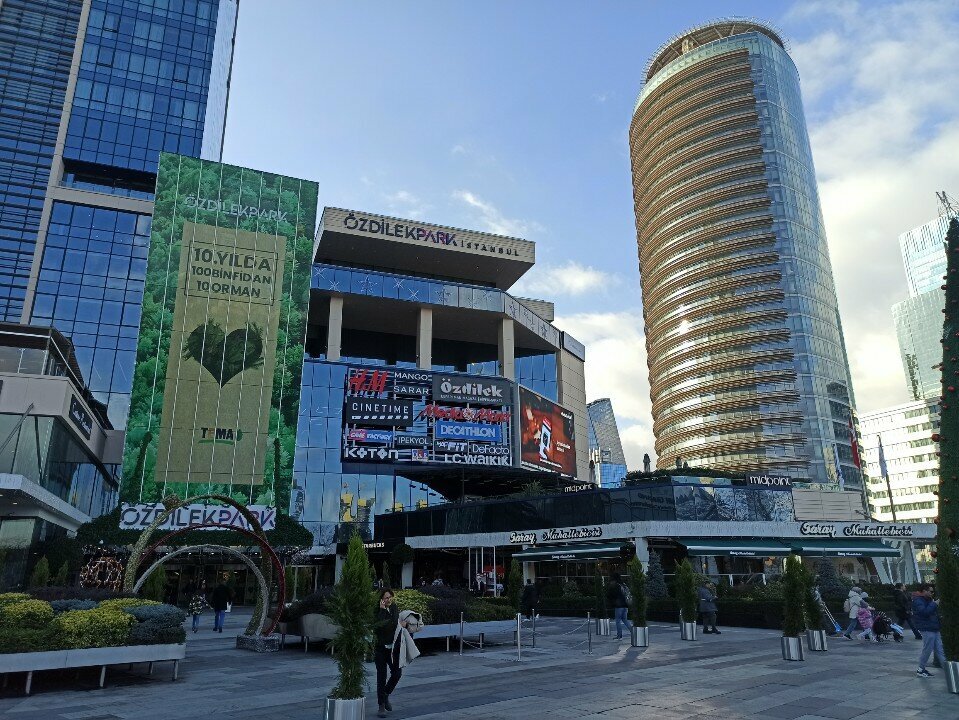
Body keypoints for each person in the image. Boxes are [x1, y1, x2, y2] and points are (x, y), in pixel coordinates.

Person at [375, 589, 406, 717]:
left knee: (397, 673)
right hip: (380, 648)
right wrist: (382, 611)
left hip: (393, 649)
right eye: (386, 598)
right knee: (381, 677)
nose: (389, 600)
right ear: (381, 599)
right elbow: (380, 626)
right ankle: (381, 705)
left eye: (390, 597)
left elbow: (393, 623)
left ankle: (386, 693)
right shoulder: (376, 610)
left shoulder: (394, 607)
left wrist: (395, 624)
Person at [913, 583, 946, 678]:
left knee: (940, 649)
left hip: (934, 627)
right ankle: (920, 669)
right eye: (931, 591)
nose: (932, 593)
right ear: (924, 591)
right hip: (927, 628)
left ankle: (948, 669)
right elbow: (924, 612)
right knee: (927, 649)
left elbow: (931, 613)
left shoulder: (928, 599)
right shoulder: (918, 600)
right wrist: (934, 604)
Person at [606, 572, 632, 639]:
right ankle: (633, 631)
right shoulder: (623, 584)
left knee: (618, 620)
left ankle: (619, 635)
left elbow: (610, 595)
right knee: (625, 620)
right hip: (625, 605)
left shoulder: (615, 585)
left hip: (619, 606)